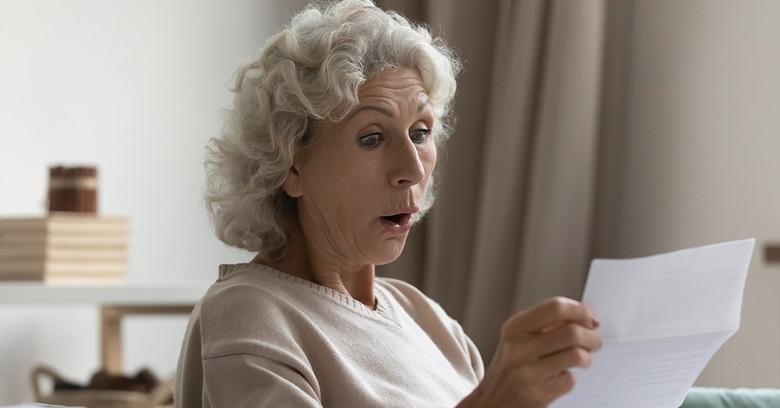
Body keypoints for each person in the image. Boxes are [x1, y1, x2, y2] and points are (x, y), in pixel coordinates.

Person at [175, 1, 602, 407]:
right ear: (290, 166)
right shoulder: (249, 316)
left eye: (420, 132)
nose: (413, 169)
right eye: (372, 138)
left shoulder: (426, 319)